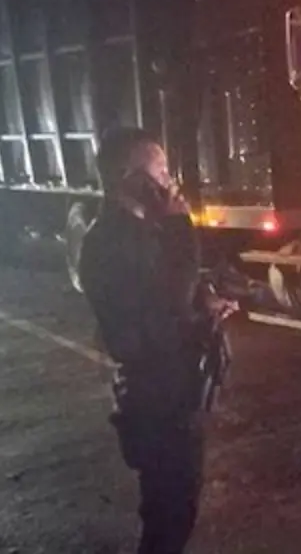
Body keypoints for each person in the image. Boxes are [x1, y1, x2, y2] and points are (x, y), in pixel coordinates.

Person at [78, 127, 236, 554]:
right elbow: (165, 303)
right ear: (132, 177)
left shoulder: (141, 231)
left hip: (174, 390)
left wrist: (205, 305)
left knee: (176, 510)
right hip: (155, 395)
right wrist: (181, 227)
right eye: (161, 170)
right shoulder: (109, 241)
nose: (170, 181)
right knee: (168, 514)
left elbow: (174, 295)